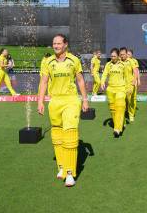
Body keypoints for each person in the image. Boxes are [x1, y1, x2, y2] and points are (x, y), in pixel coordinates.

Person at [37, 34, 89, 187]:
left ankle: (70, 173)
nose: (56, 46)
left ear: (65, 44)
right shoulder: (48, 62)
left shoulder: (74, 60)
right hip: (55, 101)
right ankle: (61, 166)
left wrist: (85, 99)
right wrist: (40, 101)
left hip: (71, 100)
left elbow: (80, 80)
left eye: (59, 43)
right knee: (57, 134)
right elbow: (44, 82)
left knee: (70, 133)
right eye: (54, 43)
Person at [101, 48, 127, 137]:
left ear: (118, 56)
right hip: (110, 89)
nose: (112, 57)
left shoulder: (123, 64)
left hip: (121, 89)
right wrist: (102, 82)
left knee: (120, 107)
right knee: (113, 109)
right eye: (111, 56)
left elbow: (127, 77)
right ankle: (121, 123)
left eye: (114, 56)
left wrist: (129, 88)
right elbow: (104, 74)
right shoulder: (108, 64)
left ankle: (117, 129)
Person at [125, 48, 140, 122]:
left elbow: (136, 71)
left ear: (131, 55)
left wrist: (137, 80)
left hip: (133, 83)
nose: (127, 55)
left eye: (129, 54)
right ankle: (125, 111)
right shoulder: (122, 61)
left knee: (132, 99)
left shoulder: (134, 61)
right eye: (126, 54)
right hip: (124, 84)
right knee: (125, 98)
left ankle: (131, 114)